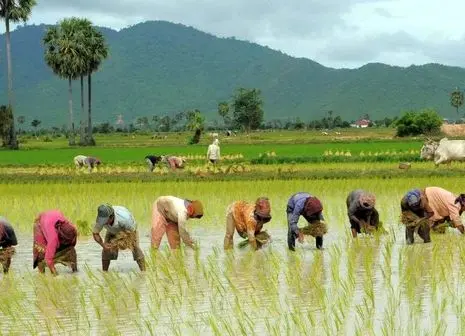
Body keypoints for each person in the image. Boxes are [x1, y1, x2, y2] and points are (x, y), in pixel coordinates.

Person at [93, 204, 146, 272]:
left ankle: (144, 272)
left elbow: (131, 234)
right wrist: (103, 245)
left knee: (135, 248)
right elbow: (95, 233)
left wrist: (120, 243)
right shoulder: (100, 220)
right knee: (106, 250)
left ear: (111, 217)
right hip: (112, 231)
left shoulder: (125, 219)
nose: (103, 223)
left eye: (105, 220)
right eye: (102, 220)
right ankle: (105, 273)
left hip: (128, 230)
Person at [33, 210, 78, 275]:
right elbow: (48, 260)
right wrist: (55, 274)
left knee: (71, 251)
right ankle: (41, 276)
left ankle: (75, 272)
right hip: (41, 223)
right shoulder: (53, 238)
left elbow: (72, 245)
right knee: (40, 255)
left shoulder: (72, 229)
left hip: (53, 216)